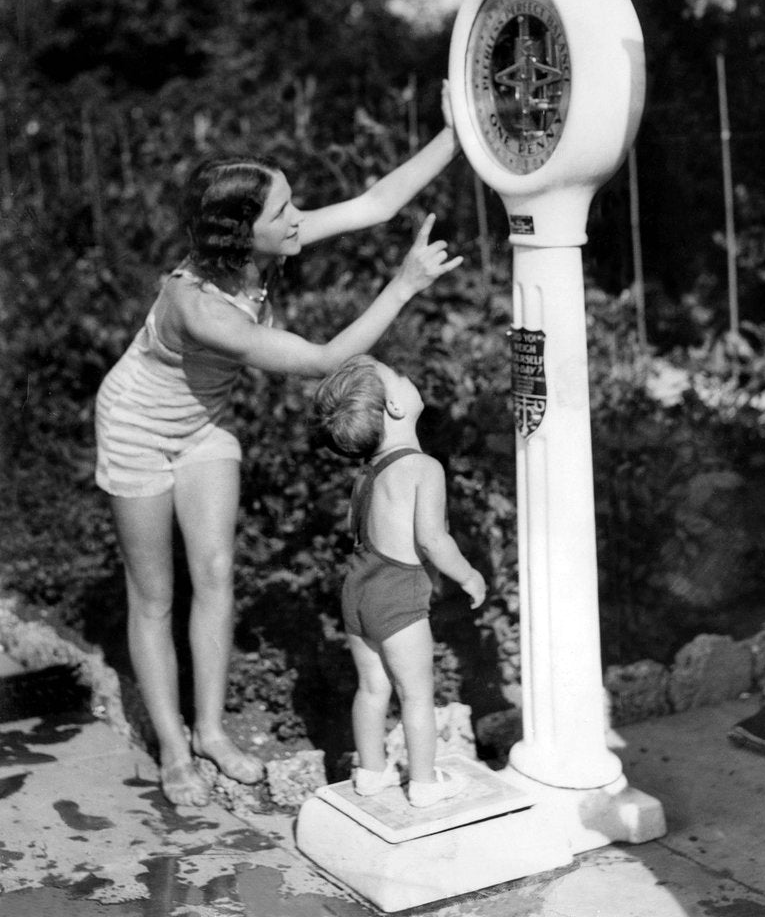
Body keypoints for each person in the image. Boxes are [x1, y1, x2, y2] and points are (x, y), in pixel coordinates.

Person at [95, 90, 461, 807]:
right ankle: (173, 749)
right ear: (241, 233)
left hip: (200, 427)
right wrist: (403, 285)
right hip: (136, 428)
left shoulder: (266, 247)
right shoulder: (196, 307)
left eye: (292, 205)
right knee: (154, 595)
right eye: (282, 212)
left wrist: (458, 133)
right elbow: (325, 360)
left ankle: (209, 731)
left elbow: (376, 205)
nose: (297, 219)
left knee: (216, 571)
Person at [312, 354, 487, 807]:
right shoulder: (423, 468)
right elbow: (431, 539)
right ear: (394, 407)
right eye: (400, 378)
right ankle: (426, 784)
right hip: (398, 595)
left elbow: (362, 531)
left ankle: (371, 773)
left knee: (372, 688)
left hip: (358, 591)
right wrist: (467, 575)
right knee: (417, 695)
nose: (409, 379)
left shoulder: (366, 474)